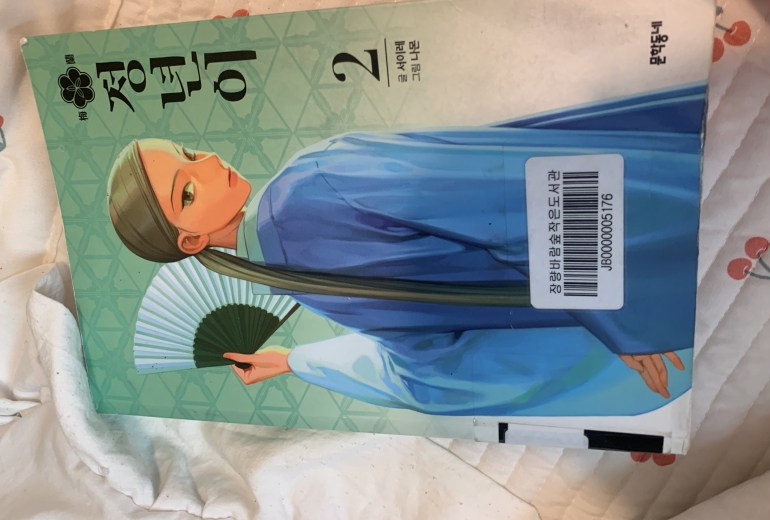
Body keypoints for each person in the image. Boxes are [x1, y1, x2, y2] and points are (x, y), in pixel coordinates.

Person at [108, 84, 705, 416]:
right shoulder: (309, 185)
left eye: (189, 153)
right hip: (634, 230)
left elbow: (433, 376)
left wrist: (300, 360)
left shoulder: (291, 266)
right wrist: (615, 316)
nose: (209, 161)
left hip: (629, 295)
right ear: (190, 241)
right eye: (187, 190)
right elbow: (499, 189)